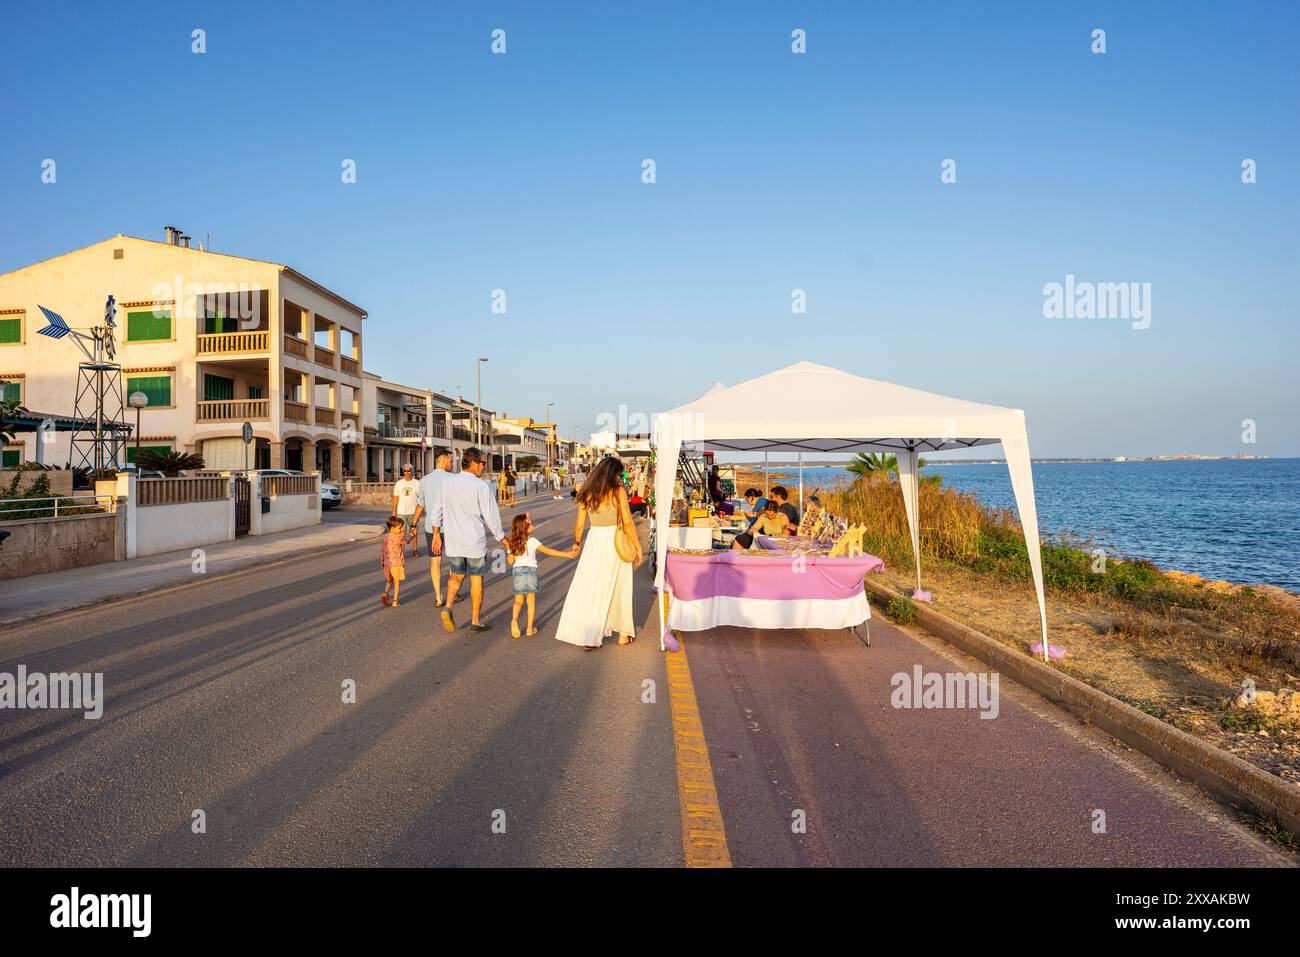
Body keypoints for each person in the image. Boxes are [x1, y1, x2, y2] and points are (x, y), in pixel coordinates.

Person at [555, 456, 642, 651]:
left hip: (594, 541)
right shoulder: (617, 491)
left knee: (594, 587)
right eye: (620, 474)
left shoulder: (586, 493)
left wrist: (577, 543)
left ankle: (589, 635)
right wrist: (637, 547)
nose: (621, 477)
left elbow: (579, 525)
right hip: (615, 541)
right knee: (620, 585)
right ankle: (623, 634)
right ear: (613, 474)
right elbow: (627, 522)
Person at [429, 448, 508, 633]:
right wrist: (502, 538)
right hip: (474, 543)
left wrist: (435, 535)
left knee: (455, 576)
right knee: (476, 580)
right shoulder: (481, 486)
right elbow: (491, 516)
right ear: (472, 463)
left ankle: (448, 606)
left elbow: (436, 513)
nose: (484, 466)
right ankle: (475, 621)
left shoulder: (448, 484)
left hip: (454, 541)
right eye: (482, 463)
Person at [505, 512, 578, 638]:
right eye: (530, 523)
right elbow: (548, 551)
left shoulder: (513, 543)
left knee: (518, 601)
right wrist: (566, 554)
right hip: (531, 572)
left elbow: (510, 561)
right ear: (525, 527)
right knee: (531, 602)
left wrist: (512, 551)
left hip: (517, 572)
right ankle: (529, 629)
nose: (532, 525)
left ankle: (514, 620)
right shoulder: (532, 541)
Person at [411, 449, 453, 607]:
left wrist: (414, 524)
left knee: (435, 563)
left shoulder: (424, 480)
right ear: (443, 462)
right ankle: (451, 593)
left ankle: (438, 596)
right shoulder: (453, 478)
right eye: (450, 461)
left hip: (431, 528)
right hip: (450, 527)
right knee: (453, 562)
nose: (452, 464)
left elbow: (420, 504)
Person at [731, 500, 796, 549]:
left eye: (772, 515)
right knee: (739, 538)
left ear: (777, 511)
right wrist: (752, 531)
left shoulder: (782, 517)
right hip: (767, 542)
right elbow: (753, 528)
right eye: (767, 515)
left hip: (780, 543)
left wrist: (771, 535)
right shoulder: (763, 517)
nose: (769, 517)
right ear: (765, 511)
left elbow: (786, 535)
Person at [380, 516, 413, 607]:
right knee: (396, 582)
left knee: (389, 580)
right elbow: (407, 541)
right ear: (393, 528)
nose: (401, 529)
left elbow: (382, 550)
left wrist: (382, 560)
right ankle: (395, 601)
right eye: (399, 527)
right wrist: (412, 535)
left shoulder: (386, 537)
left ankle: (385, 593)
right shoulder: (399, 537)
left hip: (387, 564)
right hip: (396, 563)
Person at [391, 463, 420, 557]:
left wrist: (421, 511)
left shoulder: (417, 483)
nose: (407, 472)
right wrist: (394, 510)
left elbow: (420, 498)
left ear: (412, 471)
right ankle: (401, 552)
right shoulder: (399, 483)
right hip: (401, 512)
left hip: (413, 512)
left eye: (409, 470)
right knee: (401, 533)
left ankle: (415, 550)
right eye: (405, 470)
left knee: (414, 531)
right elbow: (396, 498)